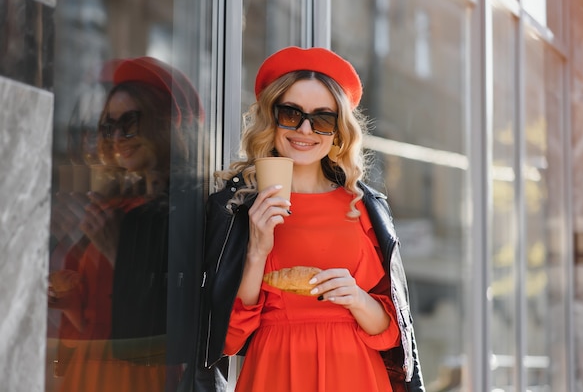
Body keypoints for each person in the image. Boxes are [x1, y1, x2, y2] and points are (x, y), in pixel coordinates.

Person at [198, 46, 425, 391]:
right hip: (275, 373)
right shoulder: (236, 207)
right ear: (270, 119)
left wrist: (357, 299)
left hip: (357, 376)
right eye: (290, 114)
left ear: (337, 132)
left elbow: (394, 336)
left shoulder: (365, 206)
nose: (305, 130)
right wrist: (257, 250)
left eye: (322, 119)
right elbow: (225, 339)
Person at [48, 56, 203, 392]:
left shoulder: (186, 211)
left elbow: (176, 313)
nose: (117, 136)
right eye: (109, 125)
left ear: (165, 124)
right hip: (88, 372)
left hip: (138, 371)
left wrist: (115, 250)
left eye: (130, 123)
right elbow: (93, 317)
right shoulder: (112, 206)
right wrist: (69, 302)